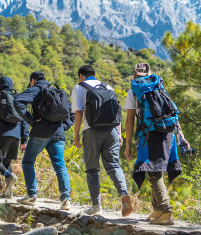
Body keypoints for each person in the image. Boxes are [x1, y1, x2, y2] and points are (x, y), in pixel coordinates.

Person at [123, 63, 184, 225]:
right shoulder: (159, 87)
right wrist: (181, 137)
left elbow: (129, 120)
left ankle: (166, 211)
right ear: (150, 73)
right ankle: (157, 210)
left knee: (153, 173)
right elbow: (174, 113)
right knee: (157, 170)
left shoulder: (133, 92)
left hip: (149, 134)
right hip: (167, 133)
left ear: (135, 75)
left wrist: (127, 144)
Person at [72, 65, 132, 216]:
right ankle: (123, 193)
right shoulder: (108, 87)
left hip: (91, 131)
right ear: (94, 74)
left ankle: (96, 206)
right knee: (113, 165)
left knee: (92, 169)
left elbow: (78, 113)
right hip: (111, 131)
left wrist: (76, 134)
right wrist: (119, 133)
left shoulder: (79, 88)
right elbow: (116, 111)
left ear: (81, 76)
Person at [15, 71, 74, 210]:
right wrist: (63, 126)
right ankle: (66, 199)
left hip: (41, 132)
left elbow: (17, 101)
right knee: (60, 165)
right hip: (58, 133)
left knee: (28, 161)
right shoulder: (56, 90)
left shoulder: (36, 89)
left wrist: (32, 121)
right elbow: (71, 111)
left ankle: (31, 195)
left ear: (33, 80)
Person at [0, 76, 28, 198]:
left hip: (0, 134)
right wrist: (24, 139)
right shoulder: (18, 98)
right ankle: (9, 193)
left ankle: (9, 176)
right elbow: (24, 120)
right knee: (6, 164)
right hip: (16, 135)